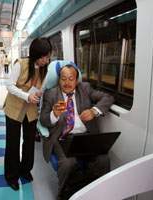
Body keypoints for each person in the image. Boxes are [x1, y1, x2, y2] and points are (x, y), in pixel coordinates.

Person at [39, 64, 114, 199]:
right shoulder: (51, 94)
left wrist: (94, 111)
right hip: (62, 137)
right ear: (58, 80)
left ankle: (96, 193)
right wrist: (53, 115)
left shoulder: (85, 89)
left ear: (76, 80)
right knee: (68, 163)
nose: (67, 83)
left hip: (85, 136)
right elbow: (43, 120)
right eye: (63, 79)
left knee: (103, 159)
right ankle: (64, 195)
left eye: (71, 79)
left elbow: (108, 98)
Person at [3, 37, 52, 190]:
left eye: (48, 56)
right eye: (44, 56)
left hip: (31, 109)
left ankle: (25, 170)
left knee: (29, 141)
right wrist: (27, 96)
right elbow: (9, 85)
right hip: (14, 108)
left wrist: (38, 95)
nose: (47, 59)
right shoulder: (21, 64)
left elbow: (41, 88)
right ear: (36, 54)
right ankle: (11, 175)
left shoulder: (45, 69)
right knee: (13, 142)